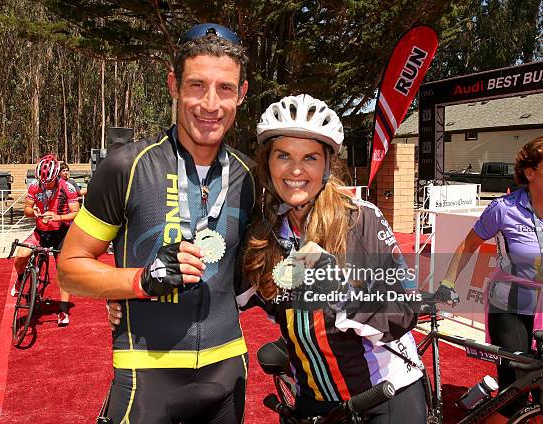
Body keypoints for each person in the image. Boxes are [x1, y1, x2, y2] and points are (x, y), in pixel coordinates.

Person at [109, 94, 427, 423]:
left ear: (328, 165)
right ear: (268, 163)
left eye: (311, 158)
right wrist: (129, 292)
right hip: (314, 402)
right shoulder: (264, 235)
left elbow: (404, 310)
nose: (296, 170)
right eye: (284, 156)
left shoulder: (360, 219)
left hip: (384, 396)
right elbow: (217, 292)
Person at [57, 23, 254, 424]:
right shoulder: (125, 167)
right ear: (173, 85)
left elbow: (250, 275)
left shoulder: (249, 176)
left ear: (242, 94)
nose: (210, 104)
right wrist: (139, 282)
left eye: (225, 89)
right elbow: (69, 268)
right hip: (147, 374)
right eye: (197, 85)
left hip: (227, 371)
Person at [436, 135, 543, 419]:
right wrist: (447, 283)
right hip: (510, 302)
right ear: (530, 172)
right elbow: (467, 245)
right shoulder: (504, 209)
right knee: (516, 385)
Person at [12, 154, 80, 326]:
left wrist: (57, 217)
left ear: (56, 176)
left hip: (60, 233)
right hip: (40, 231)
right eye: (42, 181)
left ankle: (63, 310)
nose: (44, 184)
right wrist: (32, 211)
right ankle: (20, 279)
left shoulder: (67, 188)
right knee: (21, 254)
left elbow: (76, 212)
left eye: (48, 181)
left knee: (63, 271)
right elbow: (26, 208)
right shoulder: (35, 186)